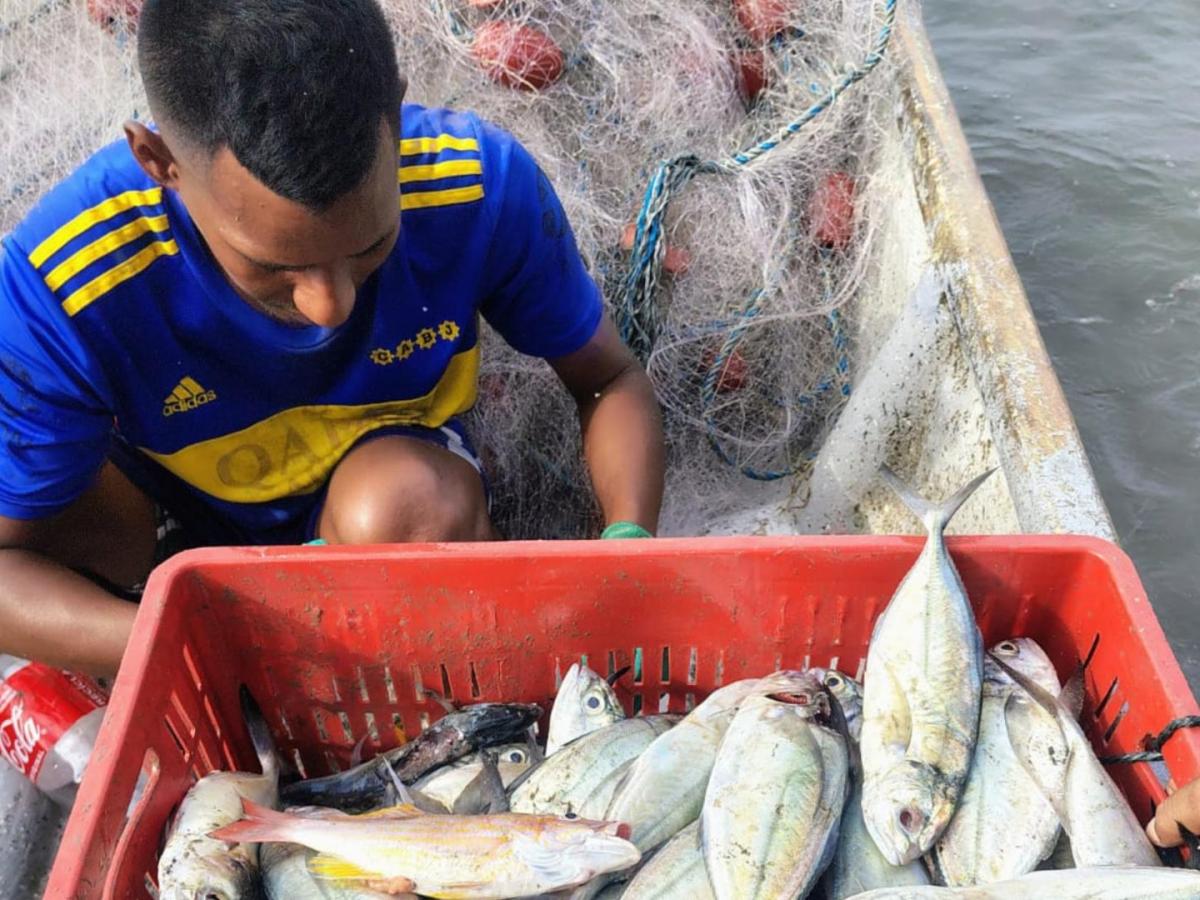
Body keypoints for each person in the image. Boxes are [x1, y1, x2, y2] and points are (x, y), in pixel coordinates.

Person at [0, 0, 664, 678]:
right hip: (168, 508)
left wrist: (628, 544)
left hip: (376, 485)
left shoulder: (476, 185)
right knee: (47, 518)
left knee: (406, 507)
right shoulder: (66, 276)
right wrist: (194, 629)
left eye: (369, 246)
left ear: (397, 118)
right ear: (160, 161)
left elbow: (607, 378)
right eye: (271, 265)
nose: (329, 306)